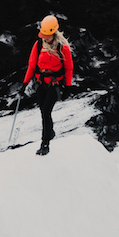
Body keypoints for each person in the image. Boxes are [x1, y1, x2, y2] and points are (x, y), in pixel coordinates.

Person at [22, 15, 73, 155]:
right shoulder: (38, 45)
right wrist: (25, 83)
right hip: (40, 83)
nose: (44, 37)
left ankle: (45, 144)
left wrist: (67, 86)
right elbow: (32, 65)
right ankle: (50, 133)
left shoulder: (63, 47)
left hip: (54, 85)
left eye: (47, 35)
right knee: (44, 112)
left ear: (54, 32)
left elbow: (69, 68)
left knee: (45, 111)